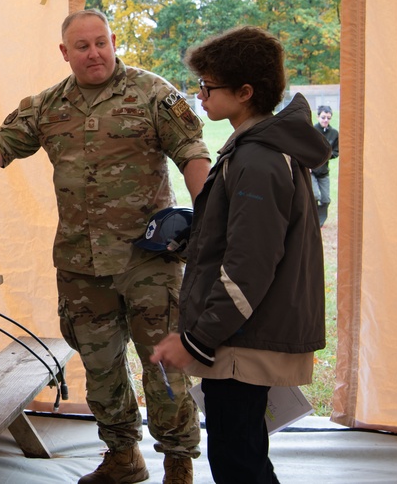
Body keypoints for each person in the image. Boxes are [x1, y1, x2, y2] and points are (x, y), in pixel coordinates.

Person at [0, 9, 210, 484]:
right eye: (82, 46)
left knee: (163, 367)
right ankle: (123, 457)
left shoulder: (152, 93)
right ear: (65, 53)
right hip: (81, 266)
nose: (94, 53)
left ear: (114, 40)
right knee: (101, 368)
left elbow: (192, 154)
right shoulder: (48, 106)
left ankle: (177, 463)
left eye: (101, 42)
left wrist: (206, 219)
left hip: (148, 262)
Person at [150, 27, 331, 484]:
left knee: (238, 460)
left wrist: (197, 339)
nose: (200, 96)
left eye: (208, 87)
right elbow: (244, 237)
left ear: (245, 92)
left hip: (245, 337)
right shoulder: (252, 151)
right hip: (244, 333)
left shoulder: (260, 159)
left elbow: (250, 266)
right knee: (242, 449)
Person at [310, 104, 339, 226]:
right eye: (323, 117)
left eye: (328, 118)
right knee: (315, 195)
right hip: (311, 170)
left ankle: (320, 222)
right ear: (317, 117)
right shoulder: (312, 131)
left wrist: (327, 155)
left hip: (324, 172)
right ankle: (312, 219)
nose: (325, 120)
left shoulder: (334, 133)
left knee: (325, 199)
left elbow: (336, 151)